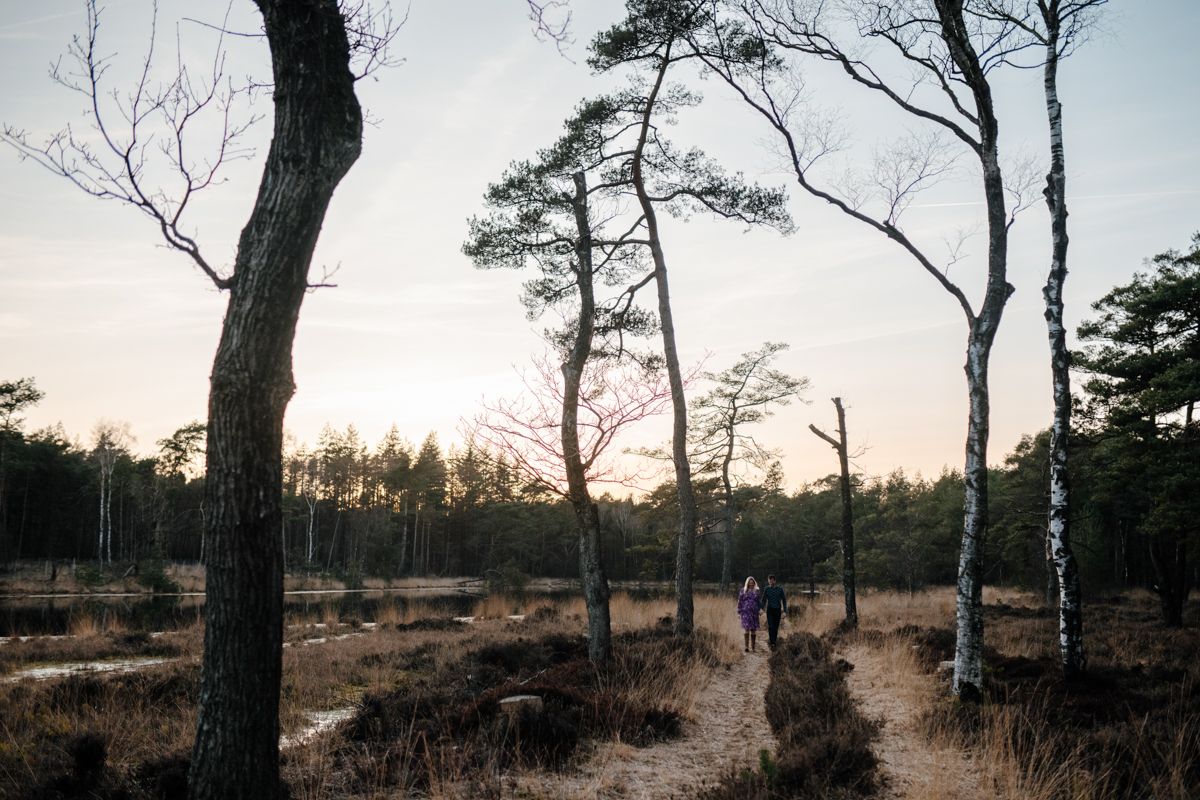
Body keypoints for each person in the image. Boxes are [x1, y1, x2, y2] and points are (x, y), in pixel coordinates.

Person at [759, 574, 787, 650]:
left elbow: (784, 600)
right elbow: (764, 600)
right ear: (768, 581)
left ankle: (774, 641)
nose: (771, 582)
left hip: (778, 610)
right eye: (769, 581)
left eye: (772, 581)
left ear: (775, 581)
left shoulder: (780, 589)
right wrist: (761, 608)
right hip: (770, 610)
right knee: (770, 626)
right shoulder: (767, 589)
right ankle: (772, 643)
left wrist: (785, 611)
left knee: (775, 627)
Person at [737, 576, 762, 652]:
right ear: (747, 583)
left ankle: (753, 647)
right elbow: (740, 601)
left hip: (754, 613)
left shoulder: (757, 591)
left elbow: (758, 602)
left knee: (753, 630)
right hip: (745, 613)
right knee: (746, 629)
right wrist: (739, 612)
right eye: (749, 583)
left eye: (752, 583)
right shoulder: (743, 590)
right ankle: (746, 647)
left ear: (754, 583)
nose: (751, 584)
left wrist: (760, 609)